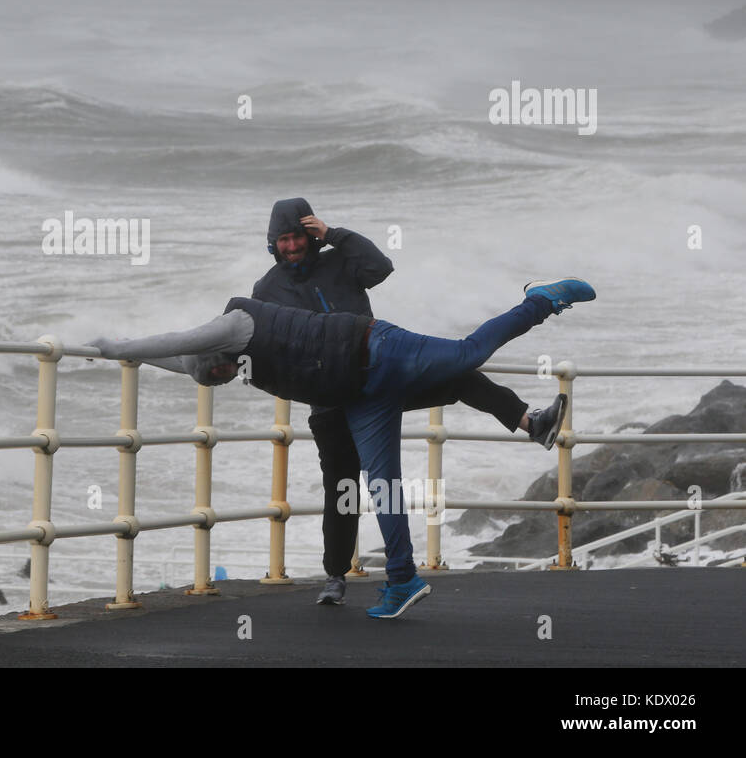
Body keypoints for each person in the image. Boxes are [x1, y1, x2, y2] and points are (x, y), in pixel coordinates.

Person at [89, 277, 595, 619]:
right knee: (382, 485)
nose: (224, 376)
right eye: (218, 379)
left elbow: (177, 340)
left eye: (219, 369)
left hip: (375, 347)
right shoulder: (220, 362)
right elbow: (180, 360)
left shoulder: (236, 323)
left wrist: (120, 347)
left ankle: (543, 300)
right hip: (357, 395)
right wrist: (115, 359)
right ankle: (402, 580)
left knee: (467, 355)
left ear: (218, 353)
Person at [252, 198, 567, 606]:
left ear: (310, 234)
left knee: (457, 374)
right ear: (272, 243)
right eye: (283, 240)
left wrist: (335, 235)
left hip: (377, 382)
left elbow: (381, 267)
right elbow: (269, 348)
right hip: (330, 404)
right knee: (343, 488)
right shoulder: (266, 290)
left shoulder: (340, 260)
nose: (291, 246)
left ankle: (531, 422)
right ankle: (336, 576)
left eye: (297, 236)